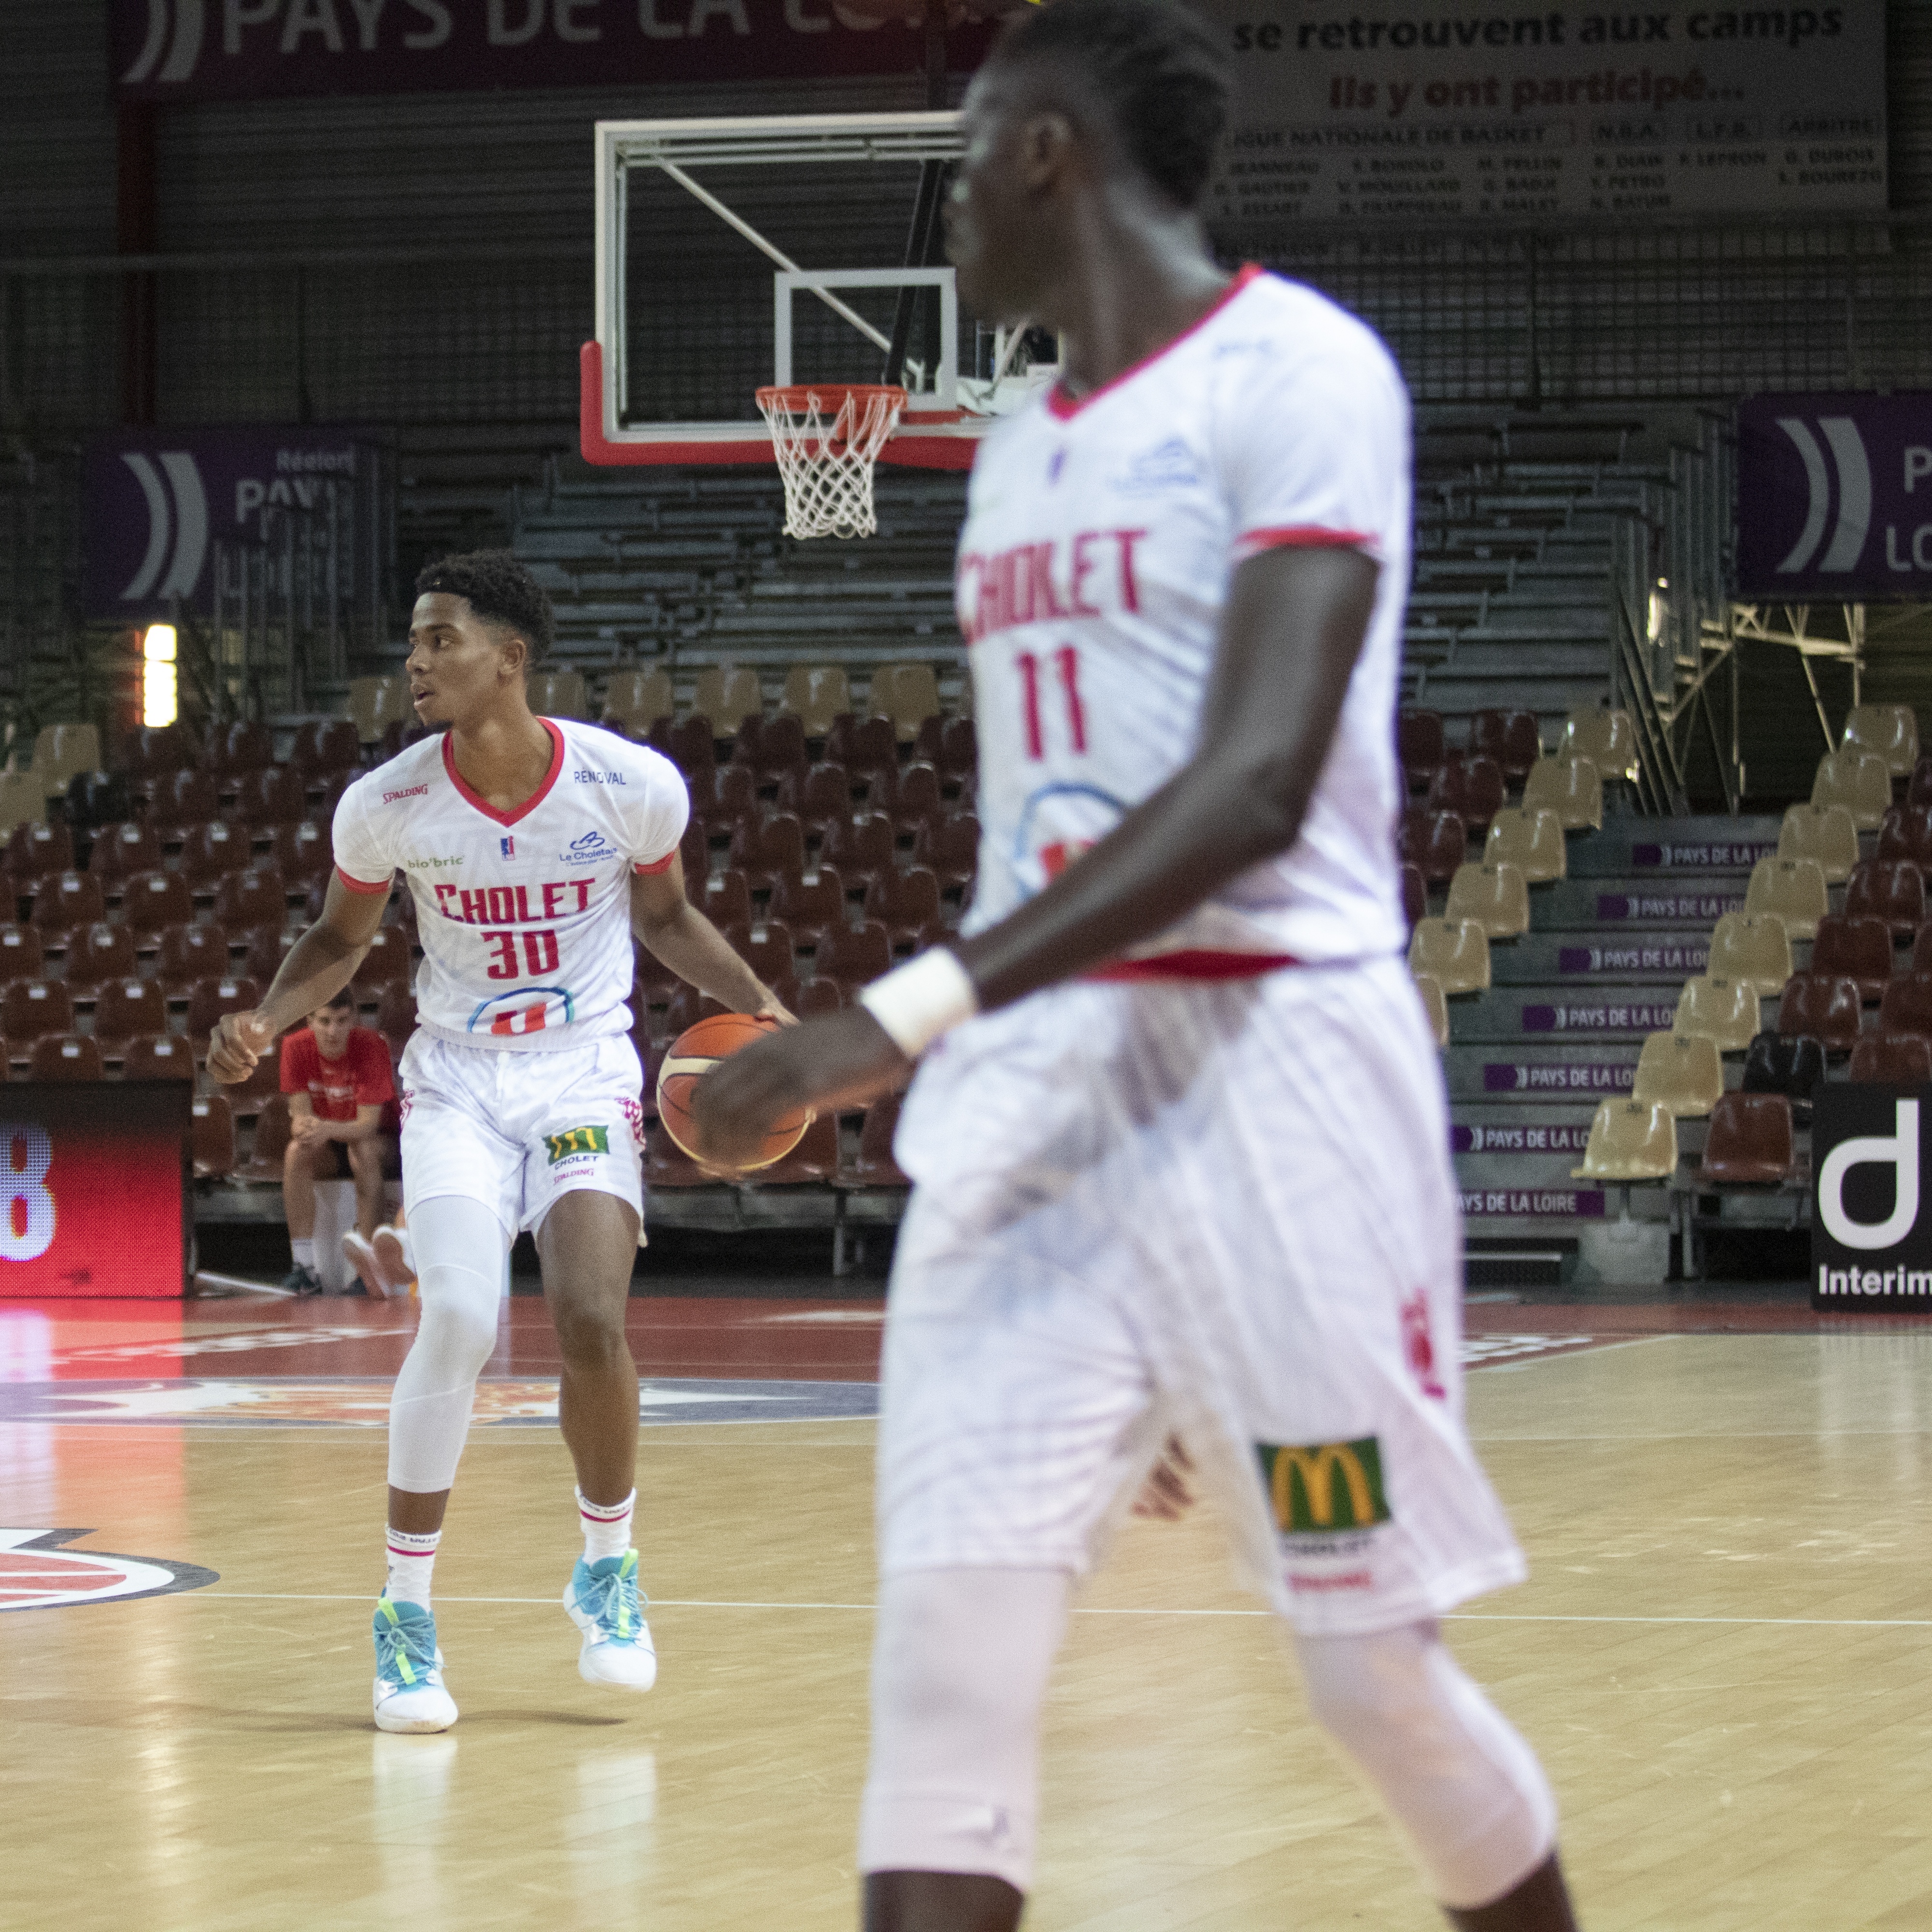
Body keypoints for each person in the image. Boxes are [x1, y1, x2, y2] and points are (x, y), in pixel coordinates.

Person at [693, 7, 1579, 1928]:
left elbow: (1256, 783)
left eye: (956, 161)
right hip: (1039, 1126)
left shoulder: (1303, 374)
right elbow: (1052, 827)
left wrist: (888, 1017)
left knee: (1371, 1680)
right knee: (941, 1687)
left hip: (1283, 1098)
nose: (940, 213)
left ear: (1040, 152)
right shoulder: (1016, 460)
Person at [208, 550, 796, 1735]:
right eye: (414, 643)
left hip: (582, 1070)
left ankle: (607, 1567)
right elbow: (337, 938)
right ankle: (404, 1613)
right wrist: (261, 1016)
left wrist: (771, 1012)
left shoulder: (627, 786)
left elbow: (669, 916)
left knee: (589, 1317)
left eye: (439, 640)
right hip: (456, 1086)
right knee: (463, 1319)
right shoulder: (388, 802)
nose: (416, 662)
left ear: (507, 657)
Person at [276, 987, 396, 1296]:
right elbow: (300, 1120)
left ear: (354, 1018)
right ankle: (303, 1268)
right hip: (328, 1142)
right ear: (310, 1020)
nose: (333, 1031)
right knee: (295, 1152)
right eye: (325, 1021)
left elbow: (368, 1126)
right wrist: (307, 1130)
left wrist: (325, 1128)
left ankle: (367, 1271)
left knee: (363, 1150)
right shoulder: (294, 1047)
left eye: (342, 1021)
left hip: (379, 1141)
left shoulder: (372, 1046)